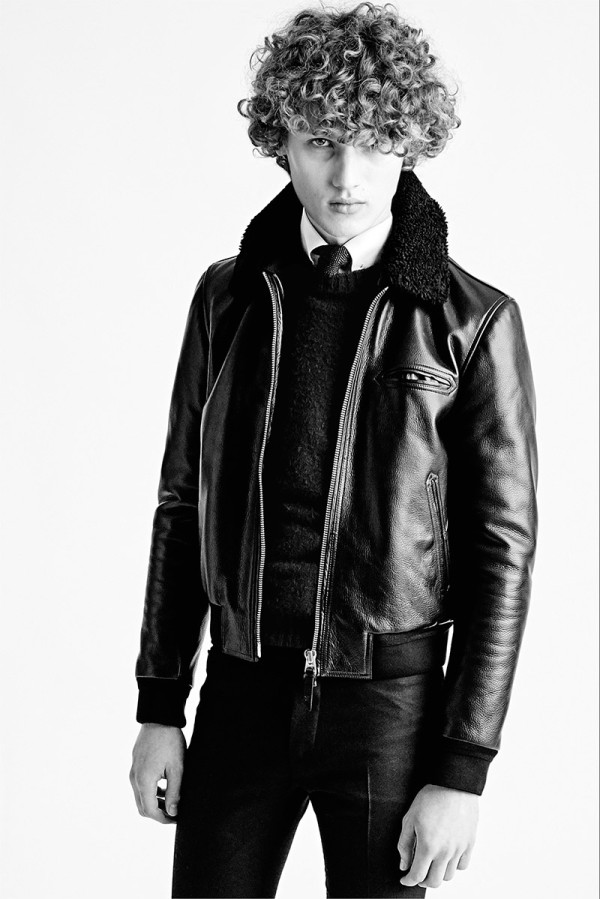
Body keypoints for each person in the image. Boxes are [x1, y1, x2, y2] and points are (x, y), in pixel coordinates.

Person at [129, 3, 538, 896]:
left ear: (410, 144)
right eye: (321, 142)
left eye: (374, 143)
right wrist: (160, 705)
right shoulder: (227, 298)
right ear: (282, 144)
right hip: (240, 692)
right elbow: (182, 500)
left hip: (391, 709)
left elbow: (502, 551)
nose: (347, 176)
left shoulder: (472, 322)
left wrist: (463, 767)